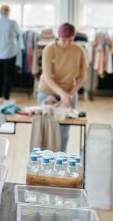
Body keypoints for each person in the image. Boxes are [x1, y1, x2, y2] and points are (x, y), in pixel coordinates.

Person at [37, 22, 87, 152]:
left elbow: (82, 77)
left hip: (70, 92)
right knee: (45, 129)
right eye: (63, 40)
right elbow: (47, 77)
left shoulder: (79, 51)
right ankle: (43, 162)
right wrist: (62, 94)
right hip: (47, 91)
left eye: (70, 40)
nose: (66, 43)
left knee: (63, 131)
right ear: (58, 37)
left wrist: (70, 94)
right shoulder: (49, 49)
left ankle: (60, 161)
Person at [0, 5, 20, 103]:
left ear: (0, 12)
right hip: (9, 53)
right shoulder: (12, 23)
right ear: (8, 12)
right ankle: (6, 97)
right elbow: (19, 33)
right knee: (8, 75)